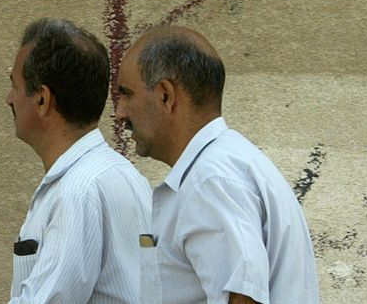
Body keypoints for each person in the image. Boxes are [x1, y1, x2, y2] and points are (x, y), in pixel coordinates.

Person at [114, 25, 320, 304]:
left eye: (127, 94)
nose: (119, 113)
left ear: (166, 95)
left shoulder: (211, 179)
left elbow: (244, 298)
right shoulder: (228, 165)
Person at [6, 18, 153, 303]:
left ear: (42, 99)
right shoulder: (123, 175)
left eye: (14, 85)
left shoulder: (78, 191)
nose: (9, 99)